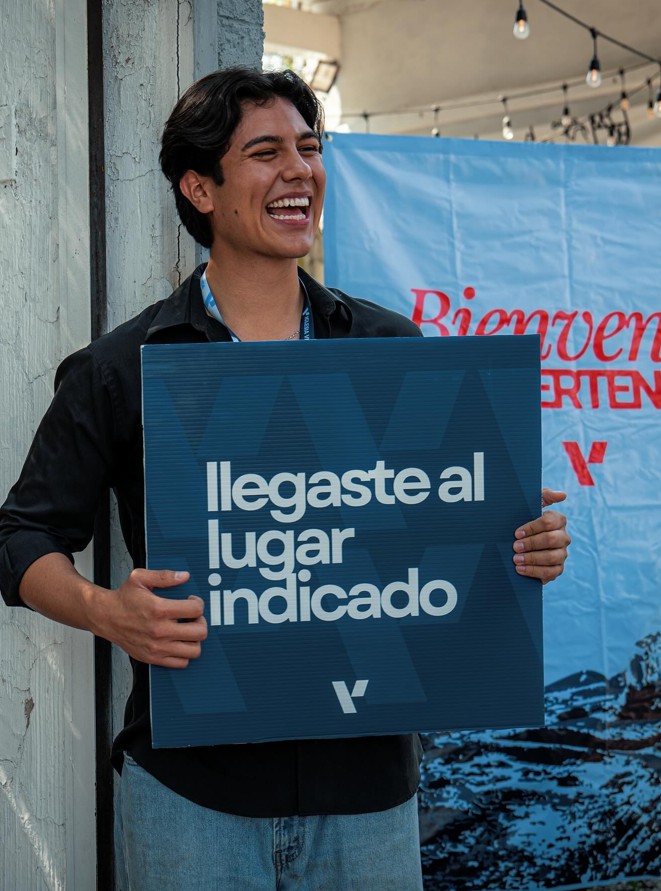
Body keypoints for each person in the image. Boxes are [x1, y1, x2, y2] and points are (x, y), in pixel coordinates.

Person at [0, 67, 570, 890]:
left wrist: (522, 541)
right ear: (199, 186)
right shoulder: (126, 368)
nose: (298, 170)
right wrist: (108, 611)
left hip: (368, 793)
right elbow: (19, 539)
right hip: (191, 794)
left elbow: (447, 530)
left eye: (308, 148)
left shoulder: (390, 351)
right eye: (265, 153)